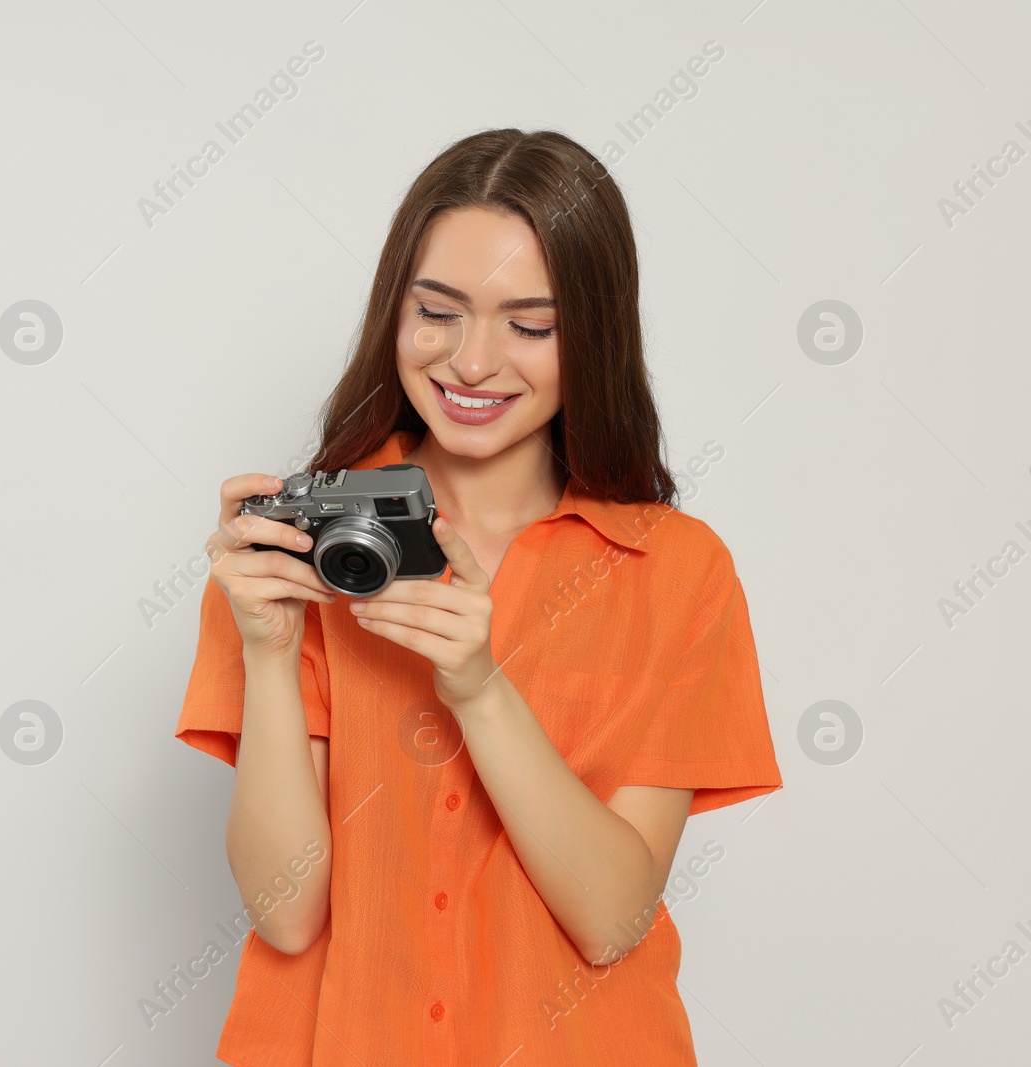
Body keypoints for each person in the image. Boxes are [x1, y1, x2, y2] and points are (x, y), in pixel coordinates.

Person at [173, 128, 784, 1066]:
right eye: (438, 312)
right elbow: (286, 915)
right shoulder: (297, 550)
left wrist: (480, 687)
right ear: (395, 311)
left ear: (595, 334)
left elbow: (615, 919)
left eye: (530, 325)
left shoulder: (679, 572)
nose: (471, 361)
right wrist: (266, 649)